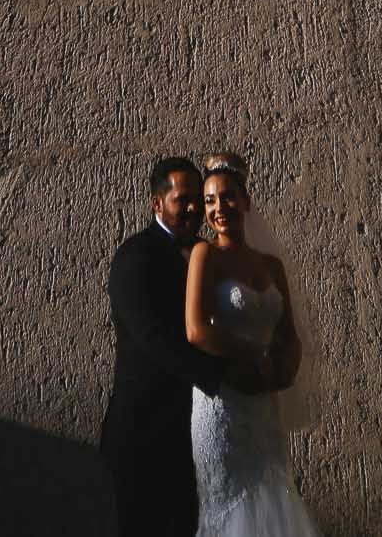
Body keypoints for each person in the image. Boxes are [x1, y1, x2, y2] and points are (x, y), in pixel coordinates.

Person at [102, 157, 268, 537]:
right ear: (157, 203)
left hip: (196, 435)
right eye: (183, 200)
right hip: (144, 435)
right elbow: (154, 338)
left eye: (198, 199)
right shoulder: (136, 257)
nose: (194, 208)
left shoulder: (207, 255)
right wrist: (226, 375)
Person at [184, 162, 321, 537]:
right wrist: (254, 353)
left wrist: (286, 368)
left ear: (246, 200)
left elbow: (288, 332)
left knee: (273, 501)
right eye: (209, 200)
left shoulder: (272, 266)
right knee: (230, 507)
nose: (218, 208)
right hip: (223, 404)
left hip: (263, 402)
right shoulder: (205, 255)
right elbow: (196, 330)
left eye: (228, 196)